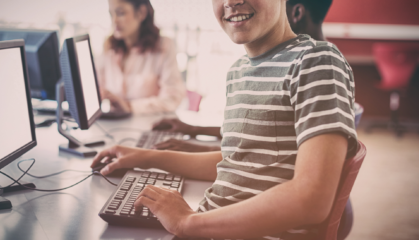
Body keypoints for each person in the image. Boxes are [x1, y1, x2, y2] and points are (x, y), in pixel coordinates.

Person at [92, 0, 357, 239]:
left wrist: (188, 222)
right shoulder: (240, 71)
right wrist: (144, 157)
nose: (231, 2)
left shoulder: (317, 60)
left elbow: (312, 199)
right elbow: (236, 162)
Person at [152, 0, 332, 152]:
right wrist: (193, 131)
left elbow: (260, 157)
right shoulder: (241, 69)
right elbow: (250, 146)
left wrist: (192, 145)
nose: (230, 2)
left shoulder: (315, 65)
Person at [96, 0, 185, 115]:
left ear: (141, 13)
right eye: (111, 14)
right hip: (114, 125)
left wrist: (129, 107)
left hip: (148, 124)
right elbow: (98, 86)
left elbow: (172, 99)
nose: (114, 21)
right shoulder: (109, 47)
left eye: (121, 13)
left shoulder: (164, 46)